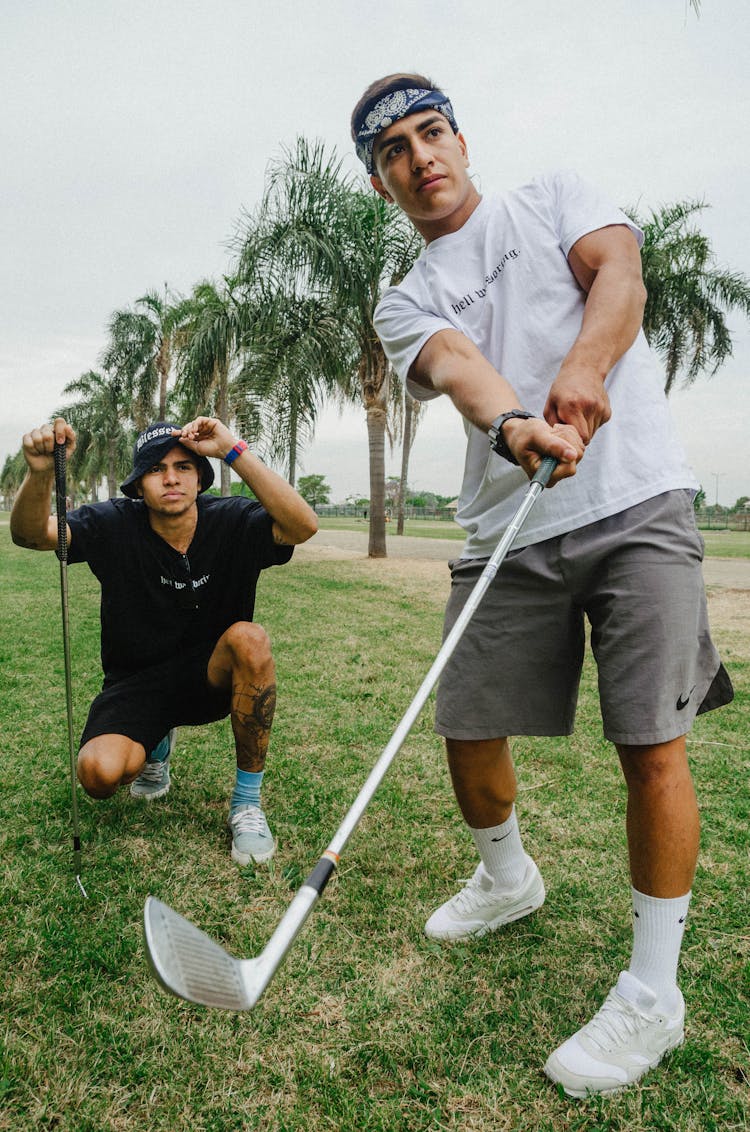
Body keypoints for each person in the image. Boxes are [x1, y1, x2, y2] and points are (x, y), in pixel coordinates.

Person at [350, 74, 734, 1097]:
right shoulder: (405, 296)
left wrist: (587, 366)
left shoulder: (554, 196)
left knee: (649, 743)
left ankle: (653, 994)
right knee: (467, 724)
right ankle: (507, 876)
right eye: (393, 152)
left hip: (634, 503)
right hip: (505, 529)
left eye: (431, 133)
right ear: (383, 183)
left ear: (461, 141)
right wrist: (517, 422)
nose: (419, 156)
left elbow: (619, 276)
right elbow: (459, 364)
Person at [11, 415, 318, 866]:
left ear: (200, 478)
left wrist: (232, 448)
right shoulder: (113, 522)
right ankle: (155, 744)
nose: (170, 477)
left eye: (183, 467)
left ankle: (247, 803)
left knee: (249, 639)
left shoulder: (231, 518)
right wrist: (40, 473)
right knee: (98, 776)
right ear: (137, 486)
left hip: (210, 677)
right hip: (136, 682)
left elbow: (303, 526)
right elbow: (32, 535)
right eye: (155, 469)